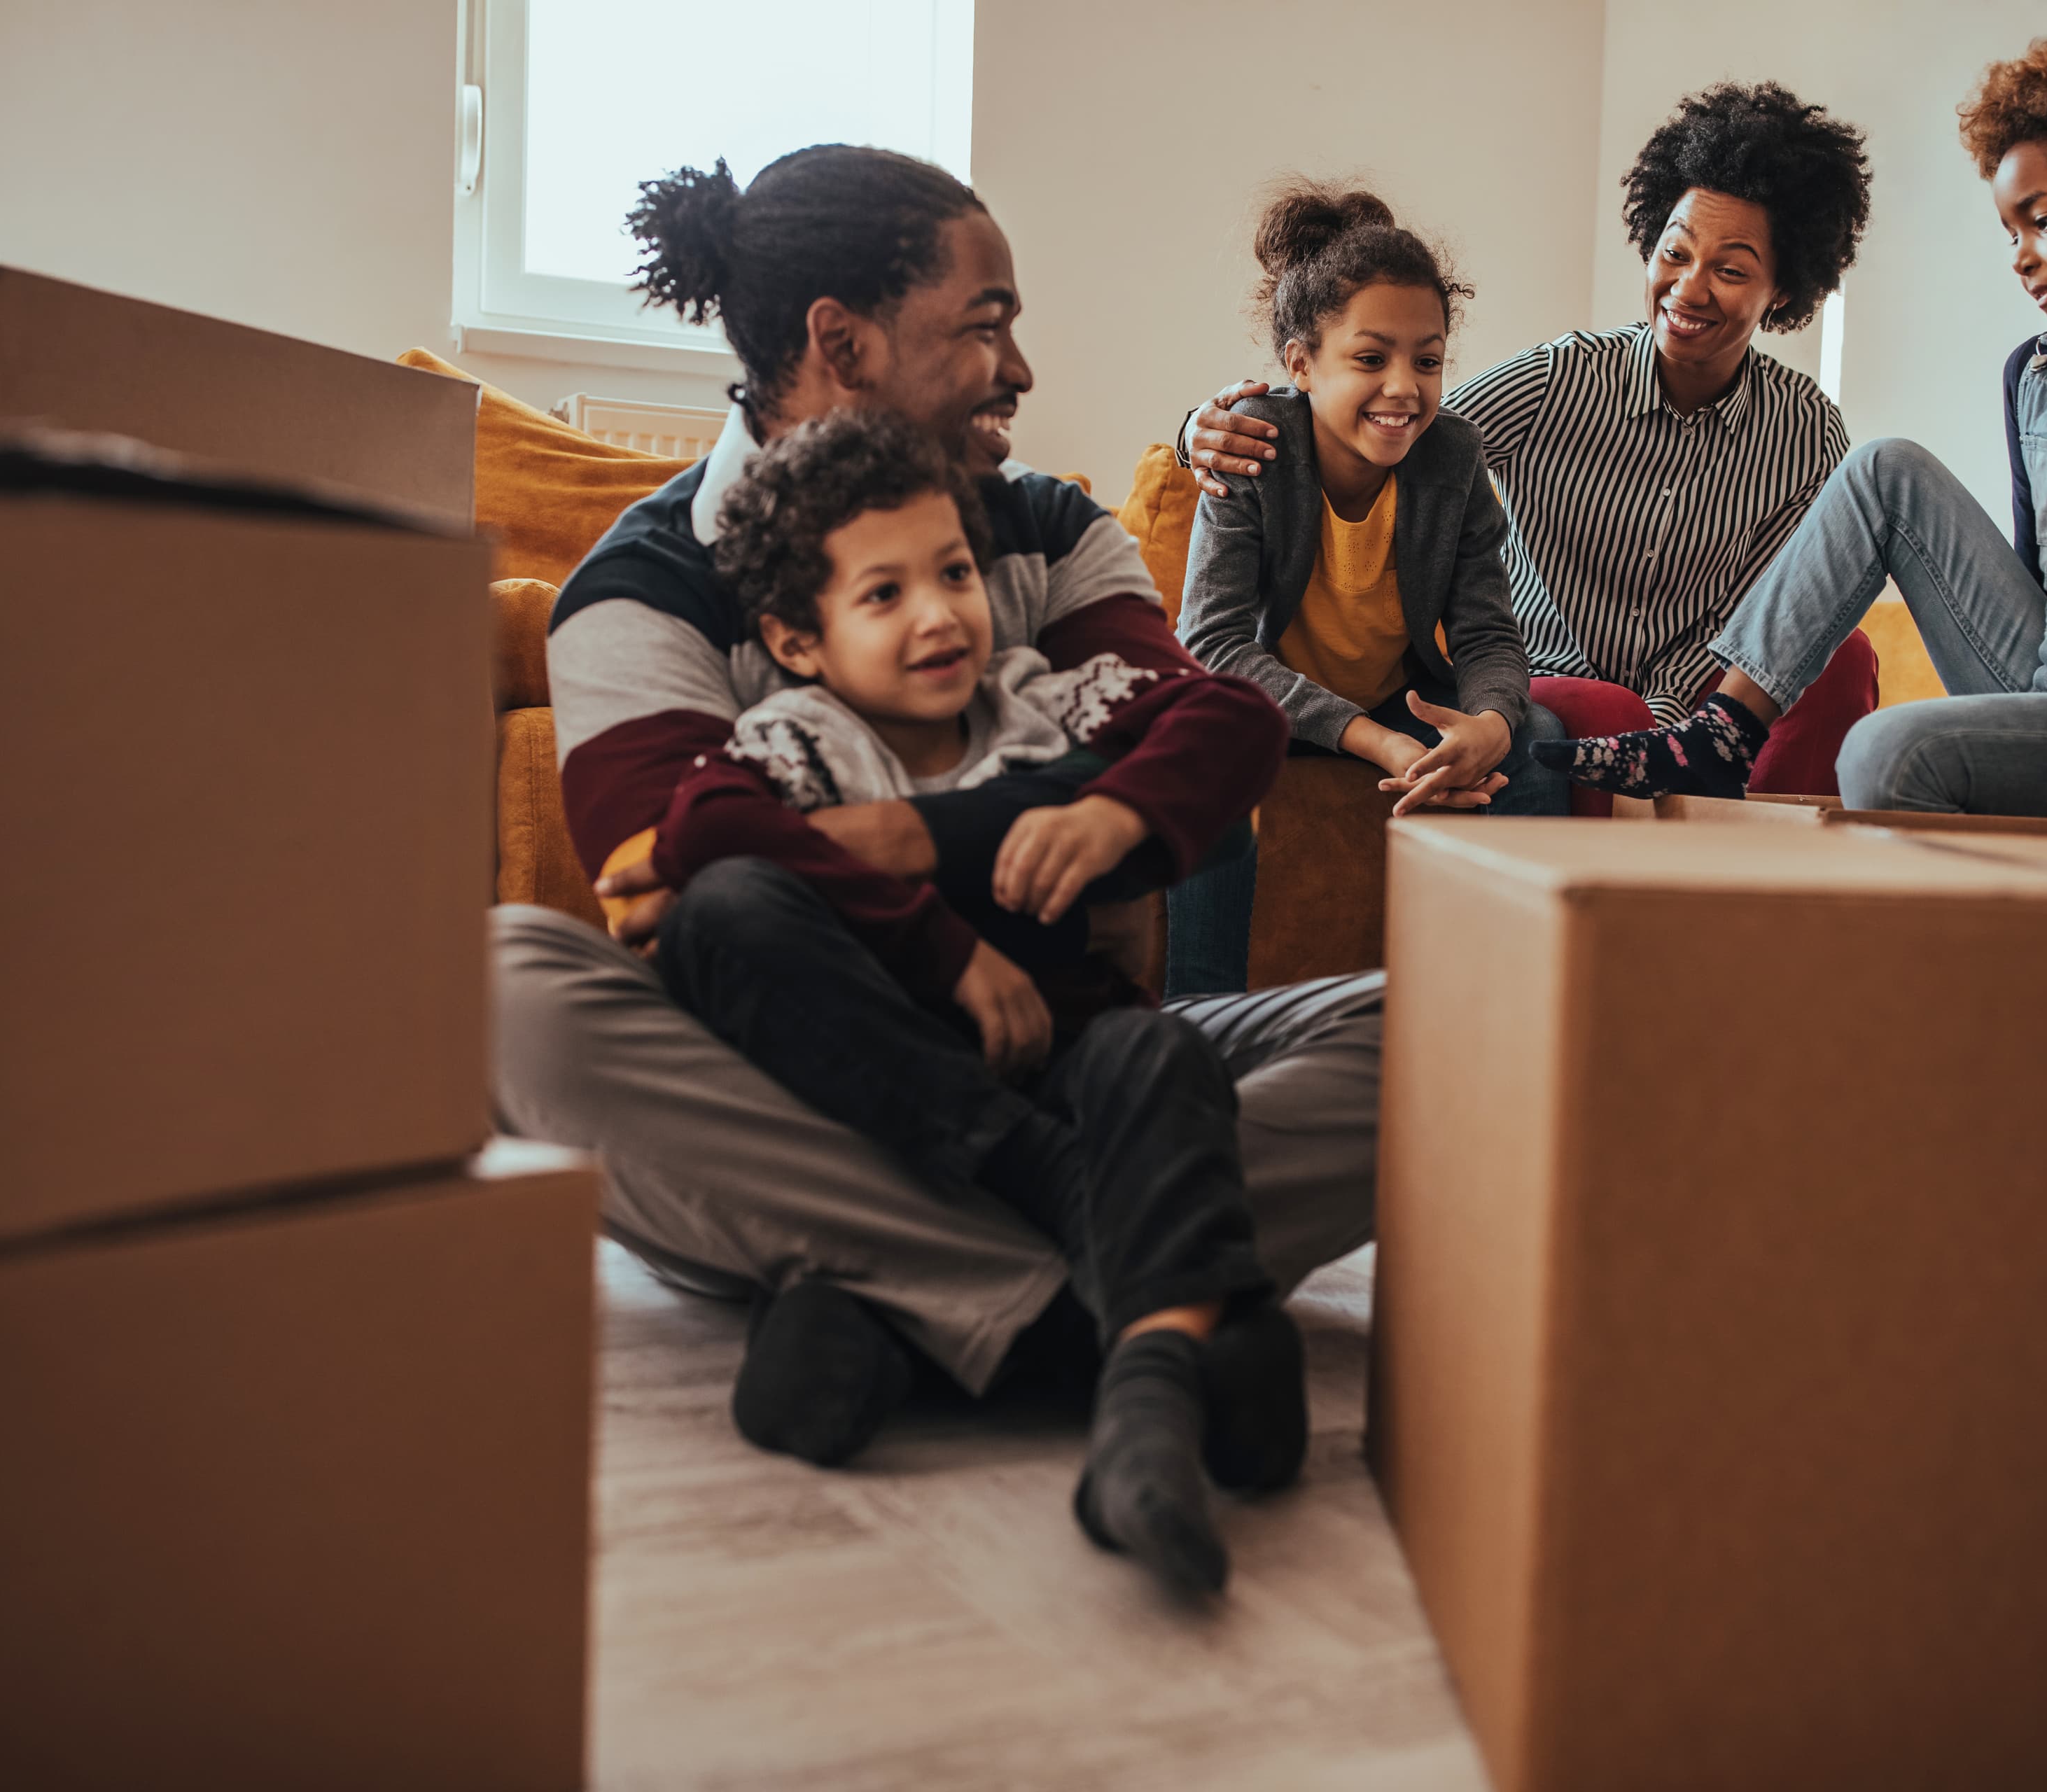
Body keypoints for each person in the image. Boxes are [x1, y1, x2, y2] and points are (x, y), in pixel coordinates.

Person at [489, 144, 1386, 1480]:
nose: (1020, 370)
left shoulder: (1050, 531)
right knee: (504, 985)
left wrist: (924, 840)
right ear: (841, 348)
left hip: (1063, 1044)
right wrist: (1061, 830)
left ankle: (891, 1312)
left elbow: (1195, 752)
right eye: (987, 325)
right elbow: (669, 888)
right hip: (800, 1093)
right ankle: (1137, 1294)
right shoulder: (642, 585)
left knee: (1454, 1031)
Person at [658, 407, 1301, 1594]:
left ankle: (1134, 1403)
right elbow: (701, 835)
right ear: (799, 640)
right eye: (884, 595)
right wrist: (944, 949)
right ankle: (1135, 1281)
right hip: (902, 1111)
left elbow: (1238, 715)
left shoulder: (1043, 701)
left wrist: (1108, 813)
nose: (940, 613)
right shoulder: (797, 744)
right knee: (728, 913)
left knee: (1161, 1058)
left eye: (953, 572)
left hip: (1071, 1057)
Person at [1537, 29, 2047, 836]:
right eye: (2011, 232)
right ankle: (1722, 735)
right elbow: (2035, 588)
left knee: (1883, 753)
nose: (2021, 256)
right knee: (1885, 468)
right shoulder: (2034, 371)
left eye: (2042, 220)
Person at [1182, 85, 1877, 796]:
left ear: (1784, 290)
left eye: (1729, 270)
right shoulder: (1560, 379)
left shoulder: (1806, 430)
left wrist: (1694, 721)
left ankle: (1778, 881)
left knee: (1847, 657)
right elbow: (1391, 423)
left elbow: (1786, 618)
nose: (1688, 289)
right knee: (1609, 709)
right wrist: (1197, 432)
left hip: (1700, 710)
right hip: (1557, 681)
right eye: (1675, 253)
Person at [1164, 182, 1567, 995]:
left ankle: (1497, 1006)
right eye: (1370, 358)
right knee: (1197, 742)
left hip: (1393, 697)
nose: (1404, 388)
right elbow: (1212, 647)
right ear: (1301, 364)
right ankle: (1199, 1017)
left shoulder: (1453, 459)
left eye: (1428, 361)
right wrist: (1374, 741)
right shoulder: (1252, 449)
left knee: (1539, 738)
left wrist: (1489, 722)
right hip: (1271, 708)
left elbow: (1489, 635)